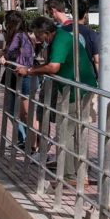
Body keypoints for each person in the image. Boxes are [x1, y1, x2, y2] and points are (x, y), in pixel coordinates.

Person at [16, 18, 97, 180]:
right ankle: (77, 171)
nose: (36, 38)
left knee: (65, 132)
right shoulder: (60, 37)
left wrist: (30, 71)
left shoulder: (60, 40)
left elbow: (54, 67)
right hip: (77, 89)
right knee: (74, 132)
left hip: (76, 92)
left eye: (38, 34)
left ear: (46, 32)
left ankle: (70, 175)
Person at [0, 11, 35, 148]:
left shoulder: (19, 35)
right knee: (13, 109)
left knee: (24, 112)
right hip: (15, 75)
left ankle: (31, 143)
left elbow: (9, 52)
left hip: (22, 76)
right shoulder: (18, 35)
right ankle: (24, 139)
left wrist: (2, 54)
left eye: (7, 22)